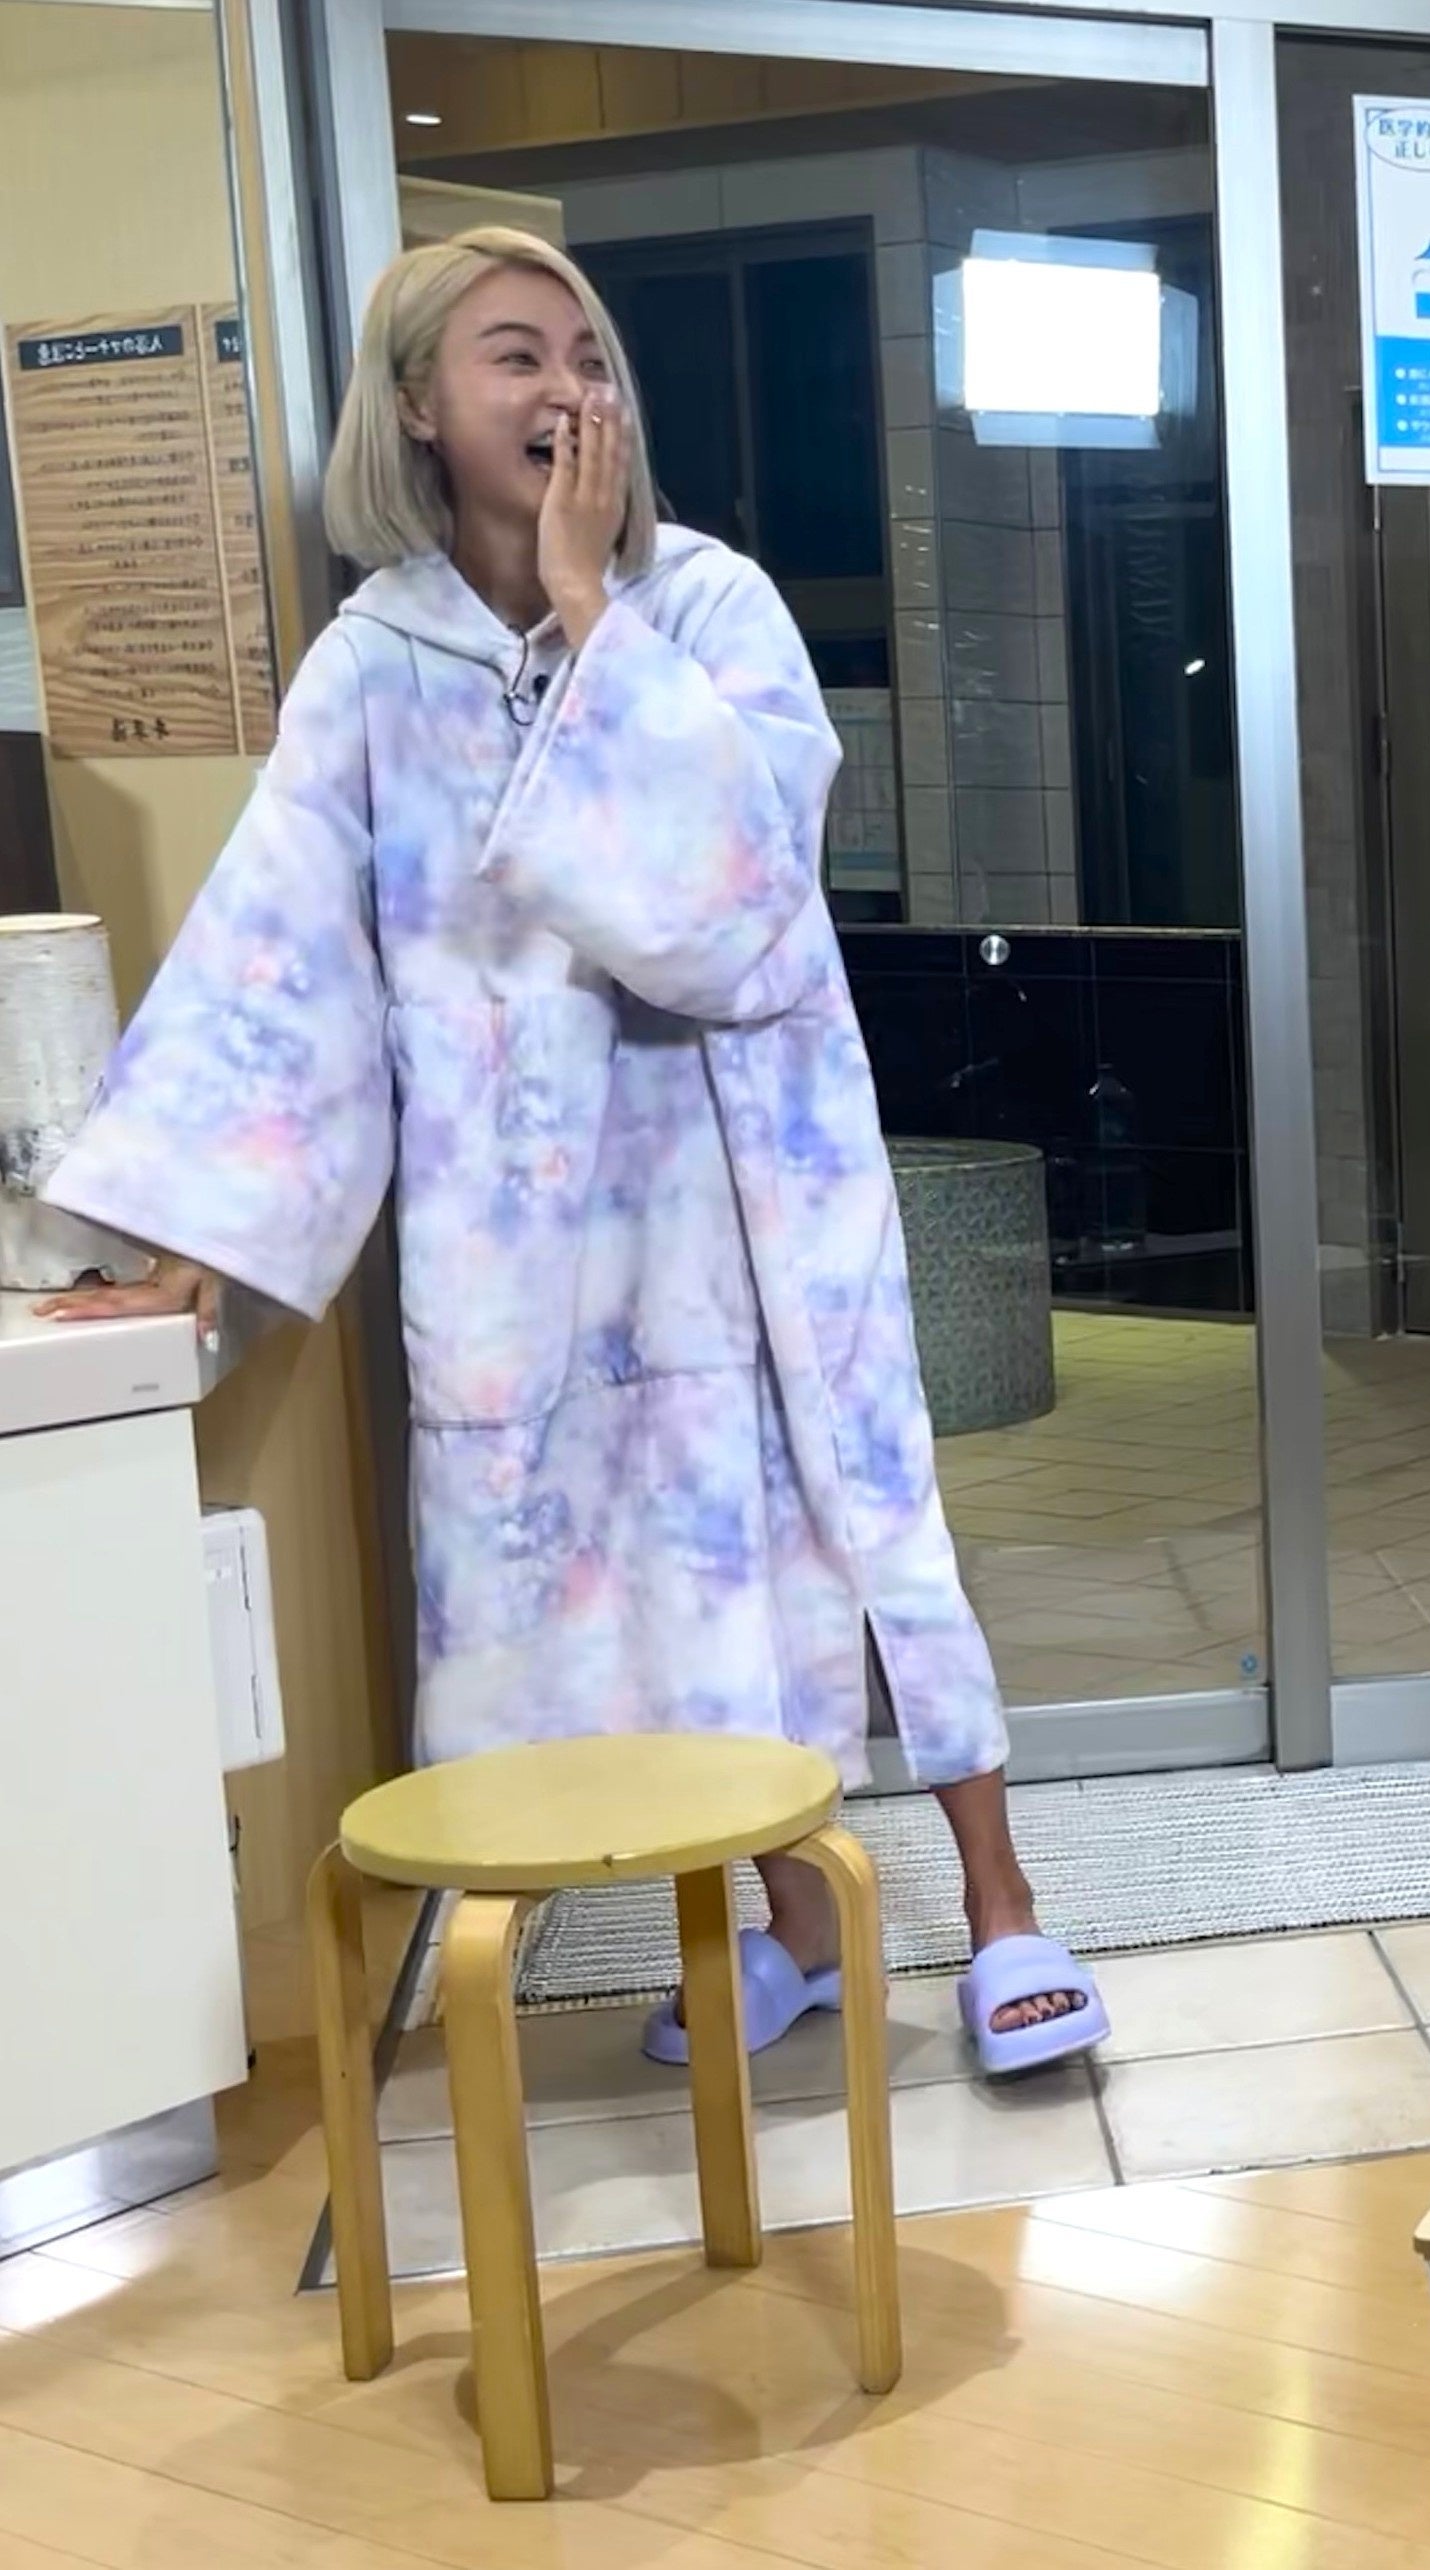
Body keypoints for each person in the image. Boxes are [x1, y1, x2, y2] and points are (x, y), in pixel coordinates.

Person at [39, 228, 1112, 2079]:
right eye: (515, 356)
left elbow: (739, 896)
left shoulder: (709, 604)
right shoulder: (374, 666)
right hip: (522, 1231)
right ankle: (791, 1930)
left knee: (860, 1520)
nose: (565, 390)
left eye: (588, 356)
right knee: (649, 1580)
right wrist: (183, 1224)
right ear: (415, 407)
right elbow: (285, 960)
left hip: (749, 1173)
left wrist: (589, 605)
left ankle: (1002, 1907)